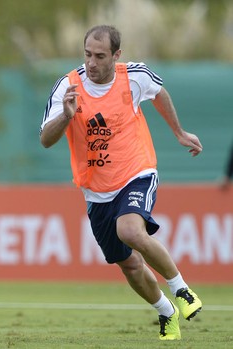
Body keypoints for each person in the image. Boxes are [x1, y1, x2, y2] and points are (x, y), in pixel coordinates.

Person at [40, 24, 203, 341]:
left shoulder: (135, 76)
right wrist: (66, 116)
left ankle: (181, 289)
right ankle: (166, 311)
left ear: (116, 55)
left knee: (129, 230)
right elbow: (45, 140)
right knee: (127, 264)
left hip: (136, 171)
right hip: (95, 190)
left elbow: (159, 94)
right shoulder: (67, 87)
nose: (91, 63)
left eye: (100, 56)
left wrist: (180, 133)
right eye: (87, 54)